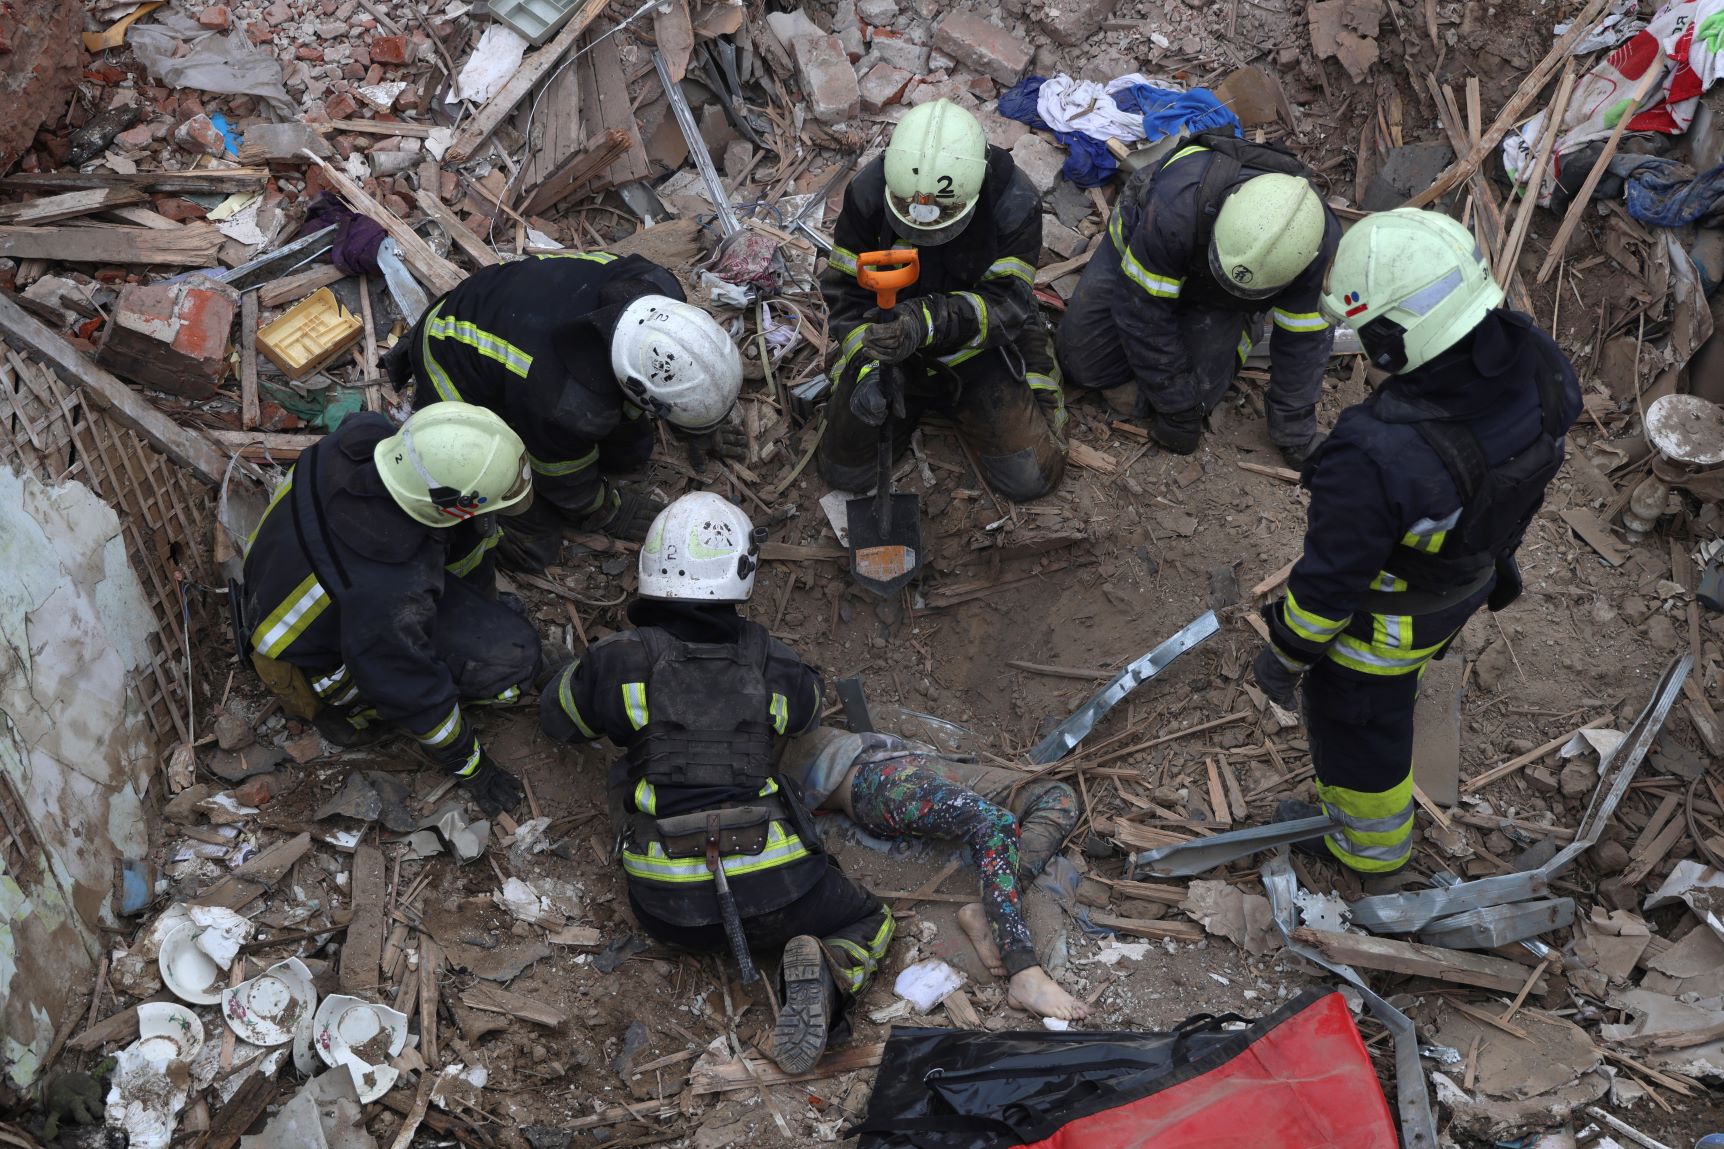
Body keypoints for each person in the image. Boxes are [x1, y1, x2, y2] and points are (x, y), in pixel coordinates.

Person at [1251, 208, 1581, 875]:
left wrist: (1284, 656)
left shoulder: (1377, 452)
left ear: (1395, 336)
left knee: (1357, 724)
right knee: (1394, 686)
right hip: (1471, 579)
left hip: (1389, 626)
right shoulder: (1538, 361)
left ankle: (1369, 851)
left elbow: (1329, 586)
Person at [539, 493, 893, 1073]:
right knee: (871, 919)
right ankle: (830, 970)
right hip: (782, 890)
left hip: (668, 909)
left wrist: (578, 674)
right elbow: (807, 713)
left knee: (627, 770)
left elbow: (558, 720)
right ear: (742, 571)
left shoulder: (617, 661)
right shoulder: (775, 663)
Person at [240, 403, 541, 817]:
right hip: (304, 663)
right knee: (513, 661)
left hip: (277, 576)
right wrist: (470, 765)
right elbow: (413, 690)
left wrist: (477, 603)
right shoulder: (388, 589)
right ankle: (350, 716)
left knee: (476, 535)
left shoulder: (360, 437)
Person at [384, 251, 744, 570]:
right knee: (535, 539)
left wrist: (698, 422)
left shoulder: (657, 288)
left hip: (510, 311)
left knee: (630, 451)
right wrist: (608, 511)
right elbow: (562, 476)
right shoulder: (566, 402)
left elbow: (680, 371)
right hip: (451, 356)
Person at [819, 99, 1068, 502]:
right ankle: (898, 392)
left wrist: (927, 321)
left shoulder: (1012, 200)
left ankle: (1021, 378)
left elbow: (1008, 304)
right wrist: (868, 368)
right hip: (890, 352)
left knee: (1030, 478)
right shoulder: (868, 193)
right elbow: (846, 295)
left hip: (977, 349)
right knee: (843, 471)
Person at [1056, 132, 1340, 465]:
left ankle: (1243, 323)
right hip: (1151, 246)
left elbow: (1305, 343)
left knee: (1201, 394)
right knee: (1082, 364)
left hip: (1221, 299)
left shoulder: (1317, 250)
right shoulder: (1175, 208)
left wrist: (1296, 436)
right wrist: (1175, 404)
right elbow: (1142, 310)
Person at [781, 728, 1089, 1021]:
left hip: (906, 758)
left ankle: (992, 908)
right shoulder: (762, 731)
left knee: (1058, 796)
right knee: (997, 823)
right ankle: (1023, 970)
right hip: (872, 779)